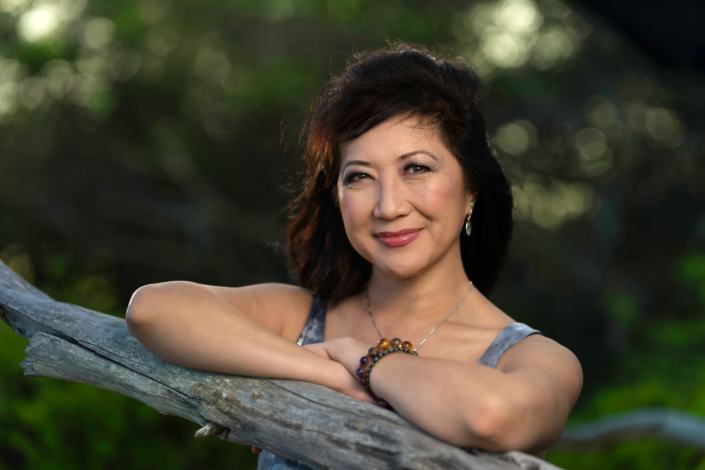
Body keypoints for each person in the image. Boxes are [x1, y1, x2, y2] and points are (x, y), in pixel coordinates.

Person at [125, 41, 583, 468]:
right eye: (360, 177)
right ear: (337, 196)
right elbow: (152, 310)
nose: (388, 206)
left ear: (470, 191)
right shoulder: (300, 322)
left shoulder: (531, 358)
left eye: (416, 169)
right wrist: (325, 373)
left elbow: (491, 415)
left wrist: (365, 359)